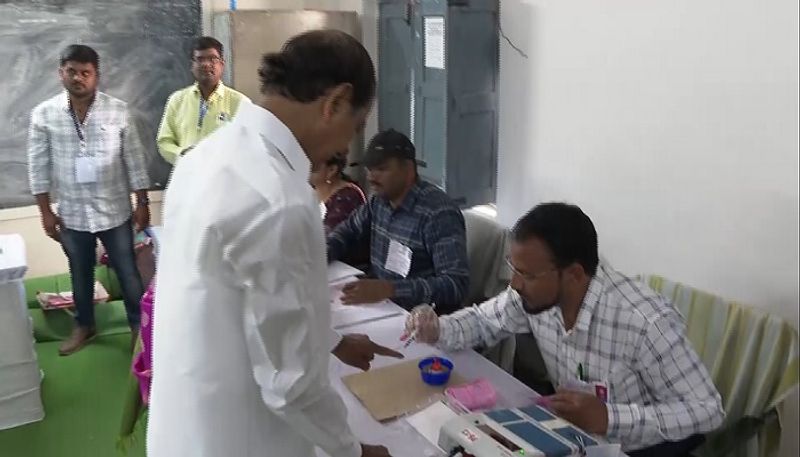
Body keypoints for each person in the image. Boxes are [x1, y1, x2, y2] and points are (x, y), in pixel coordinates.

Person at [147, 30, 401, 457]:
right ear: (335, 103)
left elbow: (249, 301)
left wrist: (334, 341)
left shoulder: (206, 156)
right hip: (239, 438)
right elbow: (292, 385)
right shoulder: (279, 198)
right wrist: (354, 450)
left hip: (184, 425)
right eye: (353, 128)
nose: (345, 146)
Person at [404, 203, 725, 456]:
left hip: (638, 446)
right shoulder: (532, 296)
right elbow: (484, 321)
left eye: (527, 274)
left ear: (573, 274)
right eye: (514, 269)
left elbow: (707, 410)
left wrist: (609, 417)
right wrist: (437, 328)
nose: (514, 283)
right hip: (572, 432)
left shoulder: (644, 322)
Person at [27, 44, 150, 356]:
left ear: (96, 76)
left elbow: (134, 160)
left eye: (85, 72)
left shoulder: (118, 111)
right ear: (61, 74)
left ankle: (140, 328)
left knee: (128, 273)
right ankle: (84, 325)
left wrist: (143, 203)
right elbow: (38, 166)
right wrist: (45, 212)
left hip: (115, 211)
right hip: (72, 214)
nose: (78, 78)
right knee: (79, 271)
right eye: (72, 71)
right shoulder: (44, 114)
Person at [326, 129, 469, 315]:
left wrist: (390, 289)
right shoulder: (379, 202)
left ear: (409, 170)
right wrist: (322, 254)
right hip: (380, 308)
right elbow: (347, 230)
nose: (371, 177)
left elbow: (456, 285)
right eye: (369, 169)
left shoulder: (438, 214)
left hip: (422, 321)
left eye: (381, 169)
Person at [156, 36, 249, 164]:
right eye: (200, 59)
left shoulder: (240, 102)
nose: (206, 64)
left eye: (212, 59)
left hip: (225, 177)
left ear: (222, 64)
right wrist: (182, 155)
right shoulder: (177, 100)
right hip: (187, 175)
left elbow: (249, 144)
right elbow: (164, 141)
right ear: (192, 65)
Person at [310, 152, 367, 233]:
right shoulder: (310, 192)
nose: (305, 166)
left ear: (331, 170)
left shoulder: (348, 198)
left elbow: (328, 239)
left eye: (313, 165)